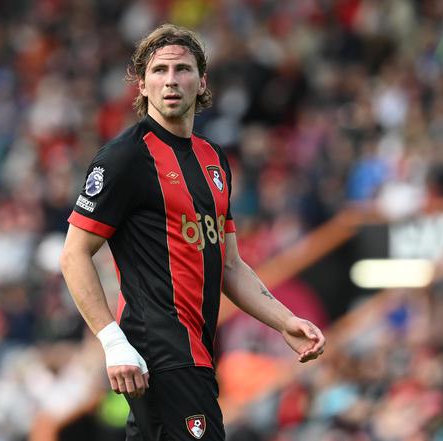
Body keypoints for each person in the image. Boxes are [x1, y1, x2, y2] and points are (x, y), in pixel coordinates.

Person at [60, 23, 325, 441]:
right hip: (160, 352)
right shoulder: (124, 158)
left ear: (201, 82)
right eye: (159, 70)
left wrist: (284, 321)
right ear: (142, 84)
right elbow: (74, 254)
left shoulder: (213, 160)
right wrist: (112, 341)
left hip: (198, 352)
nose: (170, 80)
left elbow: (230, 266)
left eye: (182, 69)